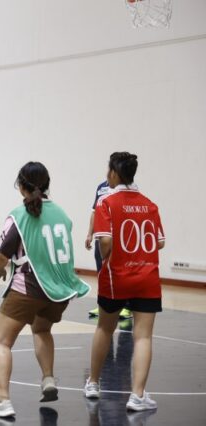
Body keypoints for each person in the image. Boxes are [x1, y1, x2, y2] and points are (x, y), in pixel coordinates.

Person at [0, 161, 90, 418]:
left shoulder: (19, 215)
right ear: (47, 184)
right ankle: (48, 378)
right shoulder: (62, 213)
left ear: (21, 186)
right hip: (60, 291)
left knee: (1, 341)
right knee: (41, 329)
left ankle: (2, 401)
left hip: (29, 287)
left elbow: (3, 254)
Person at [84, 152, 165, 412]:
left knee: (104, 329)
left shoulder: (106, 203)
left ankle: (93, 383)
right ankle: (137, 396)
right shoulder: (150, 204)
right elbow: (160, 242)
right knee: (143, 337)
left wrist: (108, 253)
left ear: (114, 173)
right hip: (147, 278)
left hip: (116, 277)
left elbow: (105, 241)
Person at [86, 181, 132, 320]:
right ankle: (103, 305)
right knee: (102, 272)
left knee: (122, 273)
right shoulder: (101, 187)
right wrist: (90, 234)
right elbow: (95, 212)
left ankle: (127, 306)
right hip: (102, 237)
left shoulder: (128, 188)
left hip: (120, 238)